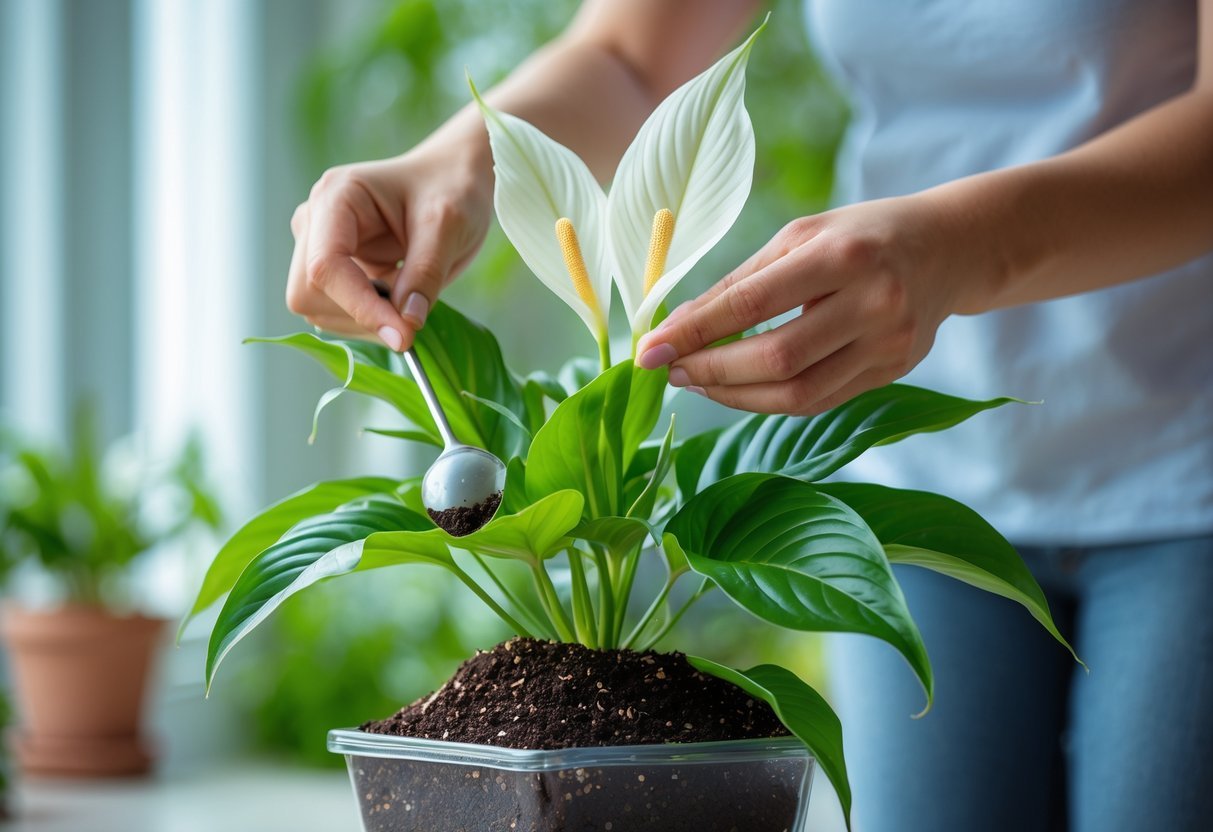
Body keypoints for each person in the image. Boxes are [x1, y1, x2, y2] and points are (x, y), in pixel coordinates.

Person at [284, 1, 1213, 829]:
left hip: (1187, 464)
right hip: (921, 459)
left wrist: (960, 252)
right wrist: (453, 161)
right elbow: (630, 55)